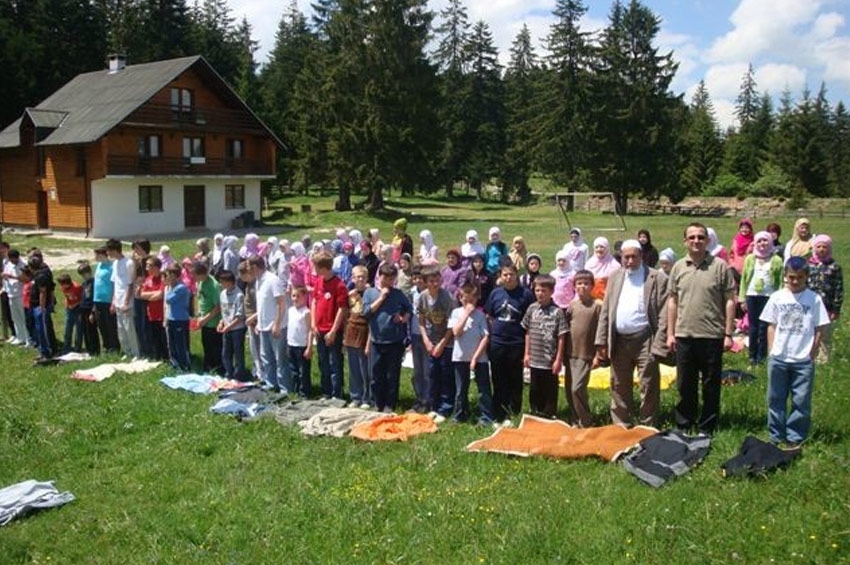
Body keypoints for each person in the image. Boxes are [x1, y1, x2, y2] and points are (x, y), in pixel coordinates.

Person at [667, 223, 736, 435]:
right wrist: (670, 333)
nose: (696, 241)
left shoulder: (720, 266)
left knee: (710, 385)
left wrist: (728, 333)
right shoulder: (678, 267)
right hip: (684, 335)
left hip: (712, 335)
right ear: (685, 241)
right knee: (685, 385)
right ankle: (684, 424)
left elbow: (730, 301)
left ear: (707, 240)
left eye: (700, 237)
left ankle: (708, 425)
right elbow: (672, 301)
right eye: (692, 237)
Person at [596, 240, 669, 427]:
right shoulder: (615, 277)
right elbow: (606, 310)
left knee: (649, 384)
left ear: (641, 256)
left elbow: (664, 313)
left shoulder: (656, 278)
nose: (629, 261)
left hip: (646, 339)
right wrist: (601, 341)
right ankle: (621, 425)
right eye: (625, 257)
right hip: (619, 340)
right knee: (619, 385)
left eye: (633, 256)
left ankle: (648, 425)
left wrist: (659, 342)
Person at [760, 256, 830, 448]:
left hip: (802, 359)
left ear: (806, 276)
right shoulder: (777, 297)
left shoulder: (814, 299)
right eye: (791, 277)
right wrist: (772, 351)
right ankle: (775, 435)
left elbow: (819, 328)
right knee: (775, 398)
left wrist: (812, 352)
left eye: (799, 277)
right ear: (785, 276)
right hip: (779, 357)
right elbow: (771, 325)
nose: (795, 281)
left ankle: (795, 436)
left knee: (801, 400)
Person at [485, 263, 534, 426]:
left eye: (511, 274)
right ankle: (498, 412)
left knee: (515, 379)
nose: (508, 277)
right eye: (505, 275)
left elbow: (530, 320)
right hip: (497, 343)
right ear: (501, 276)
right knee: (498, 379)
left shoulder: (525, 294)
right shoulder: (495, 294)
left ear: (516, 275)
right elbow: (490, 316)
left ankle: (513, 413)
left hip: (516, 343)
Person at [362, 263, 412, 412]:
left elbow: (409, 308)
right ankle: (378, 402)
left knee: (392, 375)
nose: (389, 282)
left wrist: (404, 318)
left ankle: (390, 404)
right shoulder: (370, 292)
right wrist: (382, 298)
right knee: (376, 374)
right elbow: (366, 313)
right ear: (379, 277)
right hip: (376, 340)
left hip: (394, 340)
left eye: (392, 279)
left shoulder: (397, 293)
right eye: (386, 278)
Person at [522, 274, 568, 419]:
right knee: (535, 388)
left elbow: (562, 336)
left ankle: (549, 414)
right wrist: (527, 354)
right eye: (537, 290)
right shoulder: (531, 309)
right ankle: (535, 413)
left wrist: (558, 360)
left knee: (549, 390)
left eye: (544, 291)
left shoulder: (558, 312)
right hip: (535, 358)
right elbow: (527, 331)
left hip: (549, 360)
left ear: (551, 291)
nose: (540, 294)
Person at [449, 282, 493, 425]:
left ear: (477, 299)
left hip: (479, 359)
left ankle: (486, 416)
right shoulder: (456, 313)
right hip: (460, 357)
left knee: (483, 389)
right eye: (465, 300)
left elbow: (485, 337)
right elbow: (456, 332)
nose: (469, 303)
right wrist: (466, 314)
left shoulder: (480, 316)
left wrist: (475, 358)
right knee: (461, 388)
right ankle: (460, 414)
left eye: (472, 300)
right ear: (460, 298)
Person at [418, 266, 457, 422]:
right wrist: (426, 340)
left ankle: (446, 408)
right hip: (431, 342)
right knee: (433, 374)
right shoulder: (422, 297)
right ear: (426, 282)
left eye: (437, 280)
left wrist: (442, 343)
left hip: (446, 342)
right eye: (431, 281)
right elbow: (420, 321)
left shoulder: (447, 297)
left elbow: (452, 325)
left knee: (446, 374)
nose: (435, 284)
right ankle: (434, 405)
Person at [739, 231, 783, 368]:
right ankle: (752, 355)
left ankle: (762, 356)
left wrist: (780, 298)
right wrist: (742, 298)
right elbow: (744, 280)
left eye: (765, 241)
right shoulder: (750, 259)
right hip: (752, 296)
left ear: (770, 242)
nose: (762, 244)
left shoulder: (776, 260)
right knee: (753, 327)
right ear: (755, 243)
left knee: (765, 327)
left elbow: (780, 280)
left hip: (769, 297)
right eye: (759, 241)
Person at [564, 270, 602, 427]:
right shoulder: (572, 305)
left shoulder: (597, 305)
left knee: (577, 388)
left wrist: (599, 354)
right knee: (569, 389)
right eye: (579, 283)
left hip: (586, 354)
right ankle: (575, 419)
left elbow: (602, 330)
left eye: (586, 283)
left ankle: (586, 421)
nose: (582, 286)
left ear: (592, 286)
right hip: (570, 353)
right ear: (574, 286)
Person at [311, 251, 348, 399]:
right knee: (323, 362)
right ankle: (325, 391)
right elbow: (314, 301)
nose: (314, 269)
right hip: (319, 329)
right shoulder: (319, 282)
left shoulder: (339, 285)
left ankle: (336, 393)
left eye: (315, 266)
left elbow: (342, 309)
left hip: (332, 331)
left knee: (335, 363)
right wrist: (313, 323)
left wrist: (333, 330)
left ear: (323, 268)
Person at [251, 255, 288, 393]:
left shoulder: (272, 280)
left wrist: (277, 324)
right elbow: (262, 305)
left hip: (275, 326)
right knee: (266, 358)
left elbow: (281, 302)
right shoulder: (258, 281)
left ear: (255, 267)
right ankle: (271, 384)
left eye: (250, 267)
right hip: (263, 326)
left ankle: (285, 389)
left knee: (280, 360)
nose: (249, 270)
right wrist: (258, 323)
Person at [807, 234, 843, 364]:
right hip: (810, 305)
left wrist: (836, 308)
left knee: (825, 333)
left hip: (827, 306)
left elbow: (839, 288)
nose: (821, 249)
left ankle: (823, 359)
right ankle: (809, 356)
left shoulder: (834, 267)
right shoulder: (809, 265)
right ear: (814, 248)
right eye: (819, 246)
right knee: (809, 332)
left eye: (824, 247)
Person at [106, 238, 140, 359]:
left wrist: (126, 302)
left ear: (115, 250)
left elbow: (130, 284)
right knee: (121, 329)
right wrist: (113, 302)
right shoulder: (115, 264)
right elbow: (116, 283)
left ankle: (136, 353)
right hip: (118, 300)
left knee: (129, 328)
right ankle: (127, 351)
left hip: (127, 302)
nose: (108, 253)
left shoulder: (128, 263)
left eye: (109, 251)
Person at [343, 265, 372, 408]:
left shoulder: (370, 294)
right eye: (357, 276)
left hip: (364, 331)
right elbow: (345, 314)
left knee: (364, 367)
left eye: (363, 276)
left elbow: (372, 319)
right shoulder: (350, 294)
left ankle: (367, 398)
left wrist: (369, 342)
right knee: (353, 367)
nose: (360, 279)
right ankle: (355, 396)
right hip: (351, 331)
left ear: (367, 278)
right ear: (352, 278)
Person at [216, 270, 246, 381]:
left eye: (222, 282)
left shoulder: (239, 295)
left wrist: (229, 326)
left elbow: (240, 316)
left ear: (229, 282)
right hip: (226, 328)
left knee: (238, 352)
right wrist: (221, 322)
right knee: (226, 352)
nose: (221, 284)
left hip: (237, 328)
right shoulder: (222, 294)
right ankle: (229, 373)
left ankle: (239, 375)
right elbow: (224, 311)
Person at [193, 261, 222, 375]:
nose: (193, 277)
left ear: (201, 274)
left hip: (213, 322)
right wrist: (199, 315)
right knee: (206, 345)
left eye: (194, 275)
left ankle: (218, 368)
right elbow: (200, 300)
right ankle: (208, 367)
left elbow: (218, 306)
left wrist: (206, 319)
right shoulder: (200, 283)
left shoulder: (214, 285)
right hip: (204, 322)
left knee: (215, 347)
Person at [408, 265, 430, 413]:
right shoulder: (410, 294)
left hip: (428, 335)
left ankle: (428, 399)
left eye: (420, 278)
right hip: (415, 335)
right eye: (415, 278)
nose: (418, 281)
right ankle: (419, 397)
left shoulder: (430, 293)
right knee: (418, 370)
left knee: (427, 370)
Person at [138, 257, 168, 361]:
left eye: (148, 266)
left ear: (155, 267)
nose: (146, 268)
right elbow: (141, 295)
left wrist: (149, 295)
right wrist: (152, 295)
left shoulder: (163, 278)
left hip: (162, 314)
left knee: (163, 338)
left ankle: (166, 357)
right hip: (151, 313)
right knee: (154, 337)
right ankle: (157, 356)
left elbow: (160, 295)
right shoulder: (148, 279)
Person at [287, 286, 313, 397]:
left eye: (298, 296)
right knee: (294, 370)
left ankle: (305, 392)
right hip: (291, 344)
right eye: (293, 296)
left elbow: (310, 330)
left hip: (302, 346)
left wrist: (309, 347)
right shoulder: (290, 310)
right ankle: (295, 391)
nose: (295, 298)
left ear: (305, 297)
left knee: (303, 372)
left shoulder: (306, 312)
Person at [164, 264, 191, 371]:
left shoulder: (181, 288)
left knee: (181, 345)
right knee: (172, 344)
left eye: (169, 275)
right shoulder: (173, 287)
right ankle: (174, 364)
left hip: (180, 320)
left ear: (174, 276)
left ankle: (184, 365)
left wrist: (169, 287)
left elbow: (168, 299)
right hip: (171, 319)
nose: (167, 278)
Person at [92, 247, 119, 354]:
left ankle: (114, 346)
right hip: (97, 299)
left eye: (96, 255)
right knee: (101, 324)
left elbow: (114, 284)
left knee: (110, 325)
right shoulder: (99, 265)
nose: (94, 257)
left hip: (107, 300)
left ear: (102, 255)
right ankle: (106, 346)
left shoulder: (111, 267)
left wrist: (113, 300)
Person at [239, 261, 262, 381]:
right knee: (253, 349)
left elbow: (260, 306)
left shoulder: (256, 286)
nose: (242, 278)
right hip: (250, 321)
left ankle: (261, 373)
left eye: (244, 275)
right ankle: (256, 370)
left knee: (259, 348)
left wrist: (255, 319)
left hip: (256, 321)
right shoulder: (248, 286)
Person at [1, 249, 29, 346]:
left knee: (23, 317)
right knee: (15, 317)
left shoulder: (24, 264)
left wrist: (12, 276)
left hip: (21, 294)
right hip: (11, 293)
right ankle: (19, 337)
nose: (13, 262)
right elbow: (6, 273)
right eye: (11, 260)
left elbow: (27, 279)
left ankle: (28, 338)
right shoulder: (8, 263)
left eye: (14, 260)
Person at [76, 262, 100, 356]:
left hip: (90, 308)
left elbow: (95, 297)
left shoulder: (94, 282)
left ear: (89, 272)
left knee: (92, 330)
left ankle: (95, 350)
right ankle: (89, 349)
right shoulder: (84, 283)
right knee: (85, 330)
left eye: (84, 274)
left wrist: (93, 312)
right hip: (83, 308)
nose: (83, 276)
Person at [57, 274, 83, 354]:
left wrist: (75, 304)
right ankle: (67, 346)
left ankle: (77, 347)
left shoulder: (77, 287)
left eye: (62, 284)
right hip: (69, 309)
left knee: (79, 329)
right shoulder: (63, 288)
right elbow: (67, 297)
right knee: (68, 328)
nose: (61, 286)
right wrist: (67, 303)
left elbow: (83, 299)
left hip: (78, 309)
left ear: (66, 283)